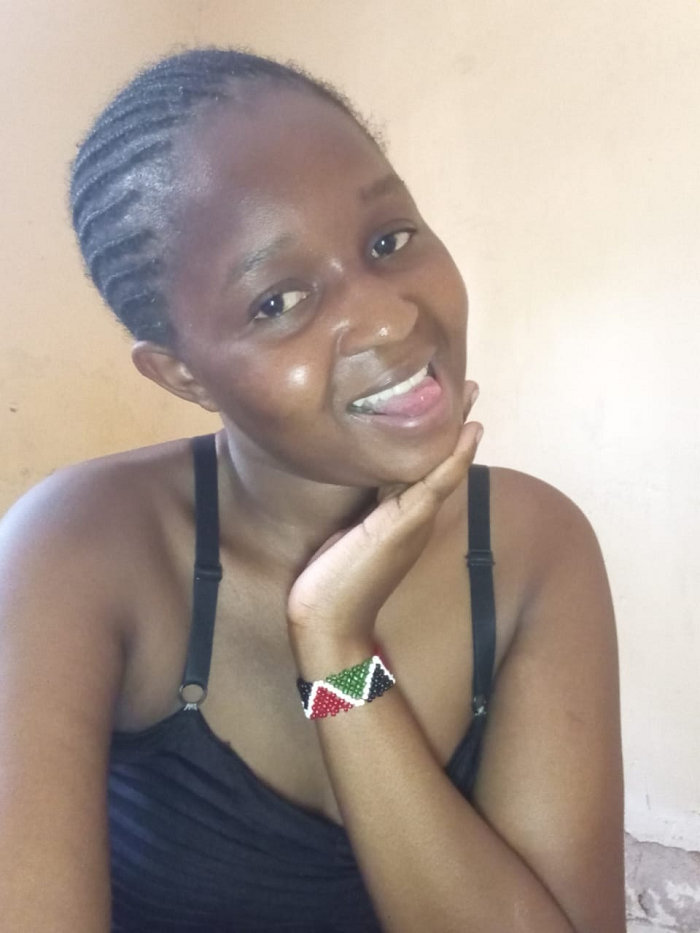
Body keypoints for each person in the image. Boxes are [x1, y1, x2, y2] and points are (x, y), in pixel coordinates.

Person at [0, 48, 625, 932]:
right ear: (184, 375)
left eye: (389, 240)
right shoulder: (79, 547)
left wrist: (337, 659)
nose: (391, 319)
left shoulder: (532, 544)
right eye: (278, 301)